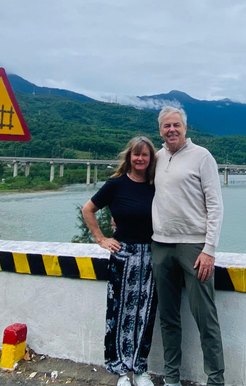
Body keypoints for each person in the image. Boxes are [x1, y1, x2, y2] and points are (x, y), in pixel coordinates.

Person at [151, 106, 225, 386]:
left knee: (205, 318)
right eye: (166, 126)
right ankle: (171, 378)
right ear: (160, 130)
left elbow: (216, 205)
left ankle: (216, 380)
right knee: (168, 317)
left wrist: (210, 249)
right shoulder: (156, 158)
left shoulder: (202, 157)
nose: (171, 130)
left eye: (176, 125)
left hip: (194, 248)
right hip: (161, 246)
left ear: (185, 128)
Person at [81, 136, 158, 386]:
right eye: (136, 154)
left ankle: (140, 369)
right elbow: (88, 209)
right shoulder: (115, 185)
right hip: (123, 258)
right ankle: (121, 372)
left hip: (150, 257)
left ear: (150, 158)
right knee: (120, 315)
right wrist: (101, 239)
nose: (140, 159)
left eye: (145, 155)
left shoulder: (156, 185)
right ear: (129, 157)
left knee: (145, 316)